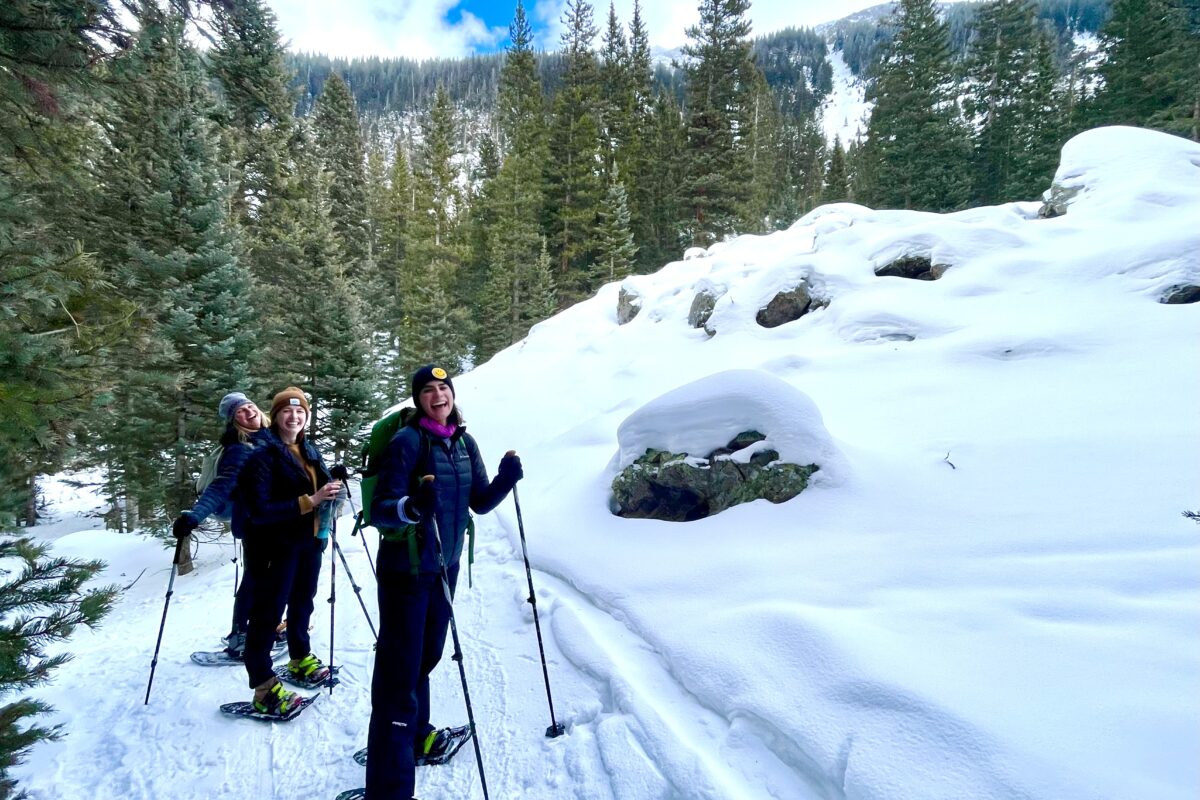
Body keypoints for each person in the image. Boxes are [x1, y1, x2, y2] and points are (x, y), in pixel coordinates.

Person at [364, 365, 522, 800]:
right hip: (406, 573)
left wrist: (506, 480)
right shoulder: (406, 443)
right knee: (398, 678)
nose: (439, 395)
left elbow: (480, 501)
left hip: (443, 569)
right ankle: (389, 789)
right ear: (417, 399)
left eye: (444, 388)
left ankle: (416, 738)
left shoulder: (463, 443)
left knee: (425, 659)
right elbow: (379, 510)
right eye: (429, 390)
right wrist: (413, 506)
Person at [238, 386, 341, 715]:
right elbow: (259, 509)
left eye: (300, 412)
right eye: (287, 411)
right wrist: (310, 501)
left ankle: (299, 657)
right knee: (267, 615)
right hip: (273, 549)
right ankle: (263, 686)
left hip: (308, 542)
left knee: (302, 602)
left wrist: (332, 484)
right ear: (276, 414)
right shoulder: (261, 452)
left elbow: (319, 487)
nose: (294, 416)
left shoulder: (307, 448)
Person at [171, 392, 270, 657]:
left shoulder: (271, 436)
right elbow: (220, 487)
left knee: (271, 579)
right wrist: (194, 516)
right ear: (234, 421)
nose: (248, 412)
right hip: (256, 526)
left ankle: (265, 626)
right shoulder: (239, 449)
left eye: (249, 406)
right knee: (255, 579)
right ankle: (239, 637)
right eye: (240, 412)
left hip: (278, 522)